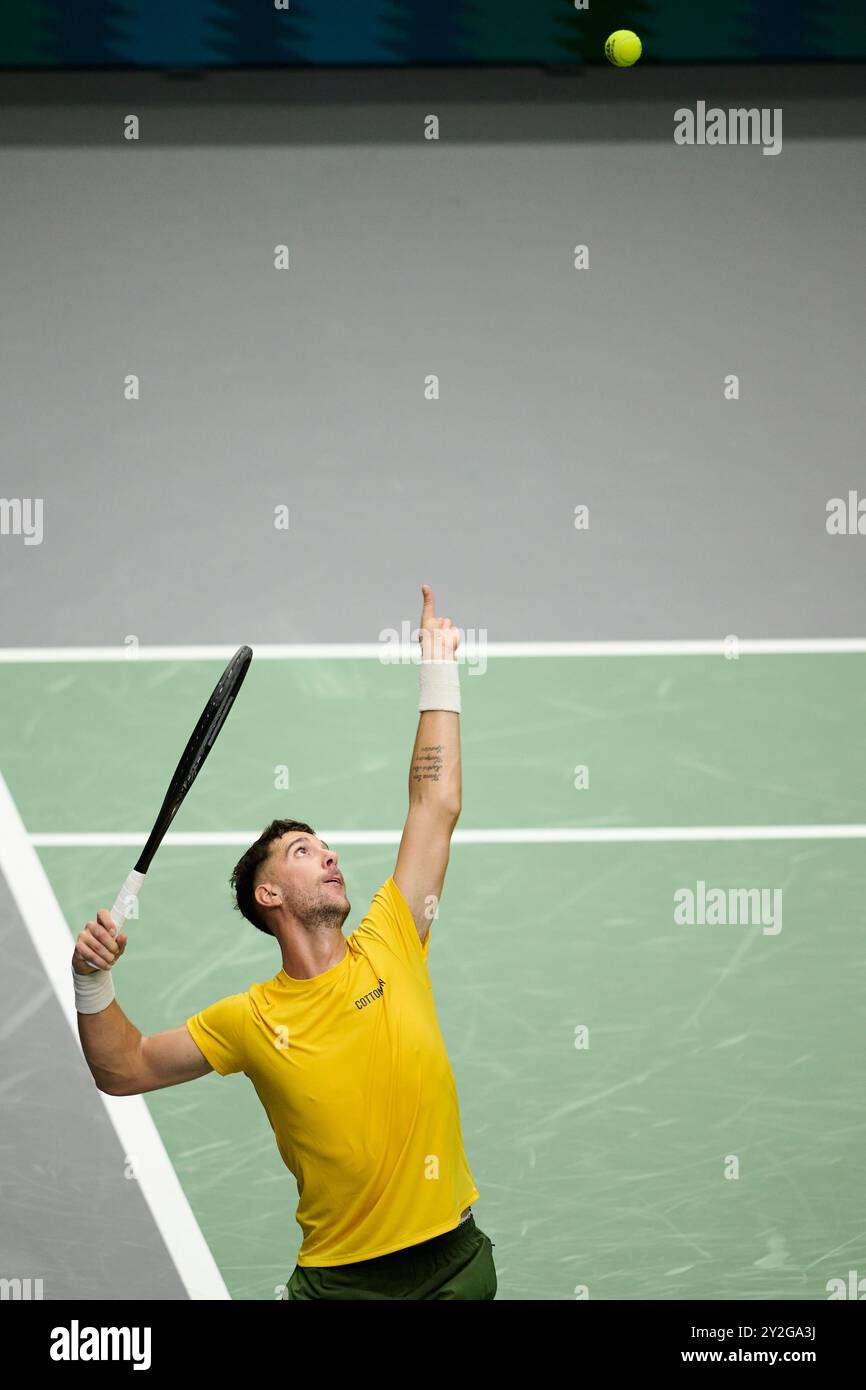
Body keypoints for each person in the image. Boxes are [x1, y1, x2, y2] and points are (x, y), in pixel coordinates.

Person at [72, 585, 497, 1300]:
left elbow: (435, 805)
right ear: (268, 895)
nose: (329, 855)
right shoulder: (249, 1020)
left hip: (454, 1265)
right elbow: (124, 1068)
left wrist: (437, 668)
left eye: (325, 846)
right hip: (339, 1285)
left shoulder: (392, 938)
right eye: (304, 850)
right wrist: (91, 978)